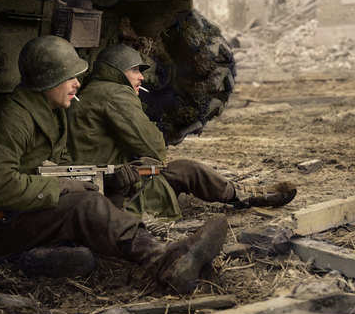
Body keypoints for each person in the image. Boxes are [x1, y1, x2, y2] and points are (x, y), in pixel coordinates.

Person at [0, 35, 227, 294]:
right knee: (85, 205)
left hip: (24, 214)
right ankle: (163, 261)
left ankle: (171, 259)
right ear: (48, 79)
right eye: (70, 77)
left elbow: (58, 166)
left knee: (91, 199)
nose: (77, 83)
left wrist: (107, 179)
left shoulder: (52, 112)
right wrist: (62, 186)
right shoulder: (15, 117)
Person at [67, 43, 296, 219]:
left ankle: (243, 194)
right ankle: (246, 195)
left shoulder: (95, 91)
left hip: (106, 183)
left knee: (186, 170)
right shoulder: (116, 93)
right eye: (135, 70)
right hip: (117, 193)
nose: (141, 77)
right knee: (188, 171)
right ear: (117, 72)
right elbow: (153, 147)